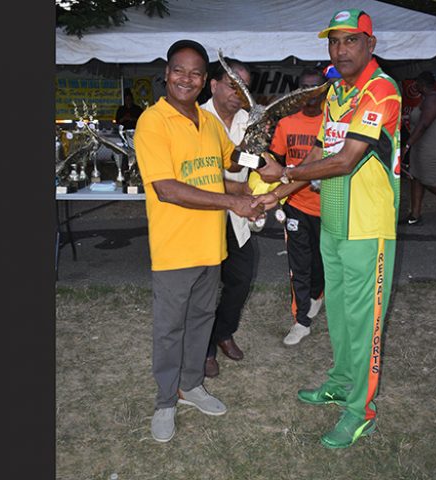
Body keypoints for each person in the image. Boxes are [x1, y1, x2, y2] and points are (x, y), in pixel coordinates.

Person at [255, 9, 402, 449]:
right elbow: (319, 150)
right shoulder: (336, 91)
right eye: (334, 42)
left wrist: (283, 175)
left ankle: (362, 412)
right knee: (337, 313)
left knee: (365, 322)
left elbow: (343, 160)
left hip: (368, 227)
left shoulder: (381, 91)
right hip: (333, 222)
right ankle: (340, 382)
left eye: (351, 40)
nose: (341, 49)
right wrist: (276, 191)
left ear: (370, 45)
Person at [133, 39, 264, 443]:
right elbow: (167, 189)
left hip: (212, 247)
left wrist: (263, 162)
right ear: (167, 74)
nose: (185, 78)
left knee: (201, 321)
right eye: (178, 70)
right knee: (170, 329)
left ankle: (191, 386)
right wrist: (233, 201)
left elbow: (230, 160)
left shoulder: (208, 123)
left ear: (204, 80)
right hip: (175, 249)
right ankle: (165, 401)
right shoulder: (153, 122)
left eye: (194, 73)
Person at [199, 58, 256, 378]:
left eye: (245, 87)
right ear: (214, 85)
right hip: (203, 216)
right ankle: (205, 349)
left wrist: (263, 190)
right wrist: (238, 189)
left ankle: (223, 332)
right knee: (206, 287)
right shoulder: (196, 117)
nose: (239, 93)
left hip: (238, 217)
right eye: (233, 84)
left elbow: (257, 161)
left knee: (240, 280)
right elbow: (188, 179)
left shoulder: (249, 119)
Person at [267, 67, 328, 346]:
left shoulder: (334, 122)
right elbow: (275, 163)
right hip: (297, 206)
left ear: (324, 89)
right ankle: (301, 321)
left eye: (314, 89)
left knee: (322, 263)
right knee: (299, 265)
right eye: (303, 89)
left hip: (330, 207)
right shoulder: (287, 123)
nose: (309, 95)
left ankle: (318, 294)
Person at [401, 71, 436, 225]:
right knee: (416, 178)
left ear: (422, 85)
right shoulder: (427, 99)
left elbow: (424, 124)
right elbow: (420, 119)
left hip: (431, 148)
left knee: (429, 181)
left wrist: (407, 144)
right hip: (420, 145)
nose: (415, 85)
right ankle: (414, 215)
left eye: (417, 83)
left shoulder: (432, 99)